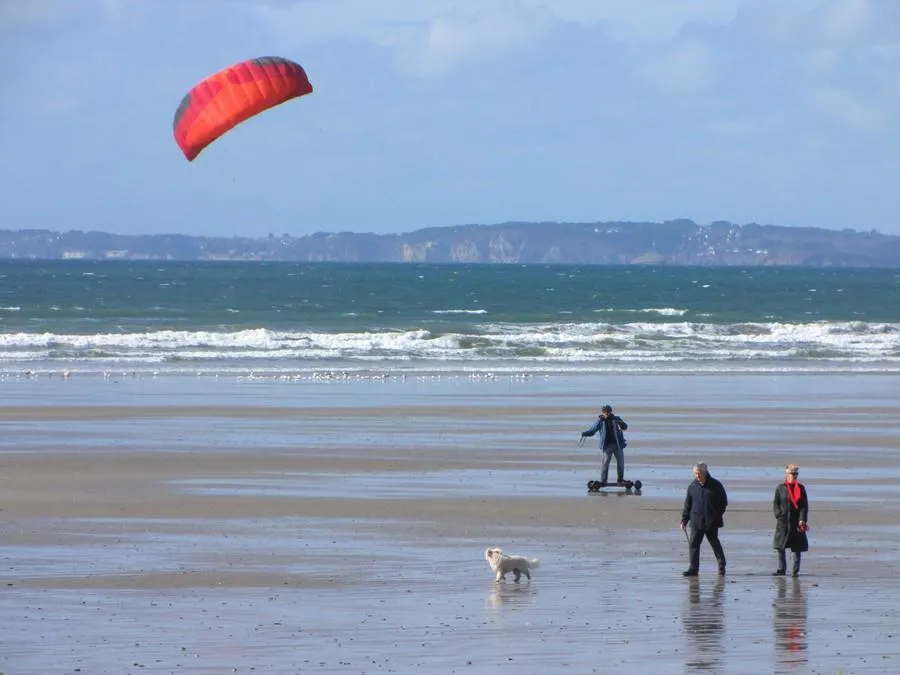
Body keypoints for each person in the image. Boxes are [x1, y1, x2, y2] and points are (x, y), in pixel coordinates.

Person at [679, 462, 728, 576]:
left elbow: (723, 502)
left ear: (705, 472)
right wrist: (684, 519)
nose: (697, 476)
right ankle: (693, 569)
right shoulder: (692, 486)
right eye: (695, 473)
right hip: (696, 520)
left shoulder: (716, 485)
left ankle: (721, 566)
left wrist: (717, 515)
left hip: (711, 520)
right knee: (693, 545)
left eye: (699, 473)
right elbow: (688, 504)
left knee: (715, 544)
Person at [772, 463, 809, 577]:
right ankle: (781, 569)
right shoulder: (780, 488)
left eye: (795, 473)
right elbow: (775, 502)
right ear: (786, 474)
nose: (794, 475)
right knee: (780, 546)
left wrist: (802, 519)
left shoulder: (801, 488)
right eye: (791, 473)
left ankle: (794, 571)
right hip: (783, 522)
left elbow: (804, 506)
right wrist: (778, 514)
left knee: (796, 548)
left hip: (796, 522)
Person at [581, 404, 628, 485]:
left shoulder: (616, 419)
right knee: (605, 463)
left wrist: (620, 423)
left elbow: (625, 427)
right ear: (602, 412)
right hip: (606, 446)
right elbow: (592, 431)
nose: (606, 413)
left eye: (608, 412)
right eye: (605, 412)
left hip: (618, 445)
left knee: (620, 463)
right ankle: (603, 480)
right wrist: (585, 433)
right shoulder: (600, 421)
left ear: (610, 412)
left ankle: (620, 480)